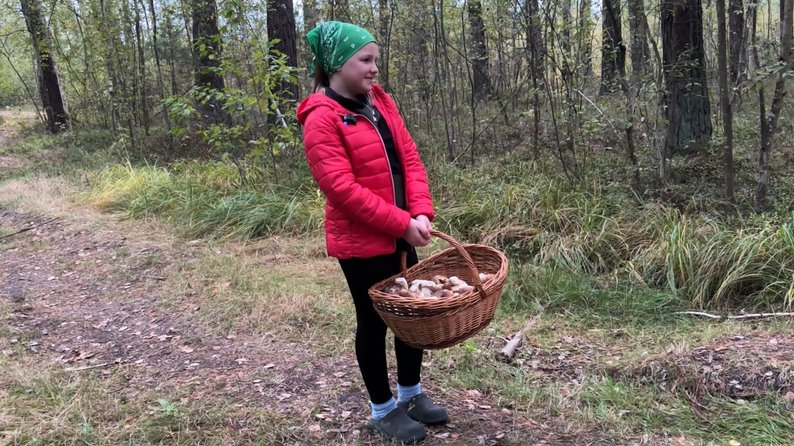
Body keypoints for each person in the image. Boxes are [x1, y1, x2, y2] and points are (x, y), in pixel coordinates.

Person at [297, 21, 448, 444]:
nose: (374, 68)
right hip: (362, 242)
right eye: (365, 59)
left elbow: (410, 159)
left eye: (375, 59)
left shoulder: (380, 102)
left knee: (409, 313)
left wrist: (421, 212)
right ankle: (382, 410)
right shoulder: (321, 118)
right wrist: (402, 223)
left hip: (403, 231)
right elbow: (342, 190)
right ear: (336, 64)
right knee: (374, 321)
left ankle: (411, 395)